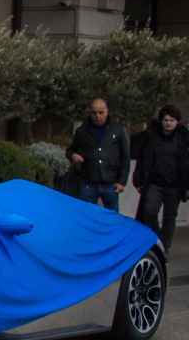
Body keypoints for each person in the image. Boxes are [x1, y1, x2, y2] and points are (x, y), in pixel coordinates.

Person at [133, 104, 189, 250]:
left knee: (169, 217)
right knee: (149, 210)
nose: (168, 123)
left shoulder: (184, 139)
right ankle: (158, 241)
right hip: (155, 184)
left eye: (172, 120)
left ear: (177, 121)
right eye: (166, 120)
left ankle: (164, 248)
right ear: (161, 121)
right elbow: (142, 158)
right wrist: (138, 180)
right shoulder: (152, 137)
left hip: (175, 186)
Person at [67, 99, 130, 210]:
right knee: (85, 214)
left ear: (107, 112)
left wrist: (121, 182)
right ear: (90, 113)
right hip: (88, 182)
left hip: (111, 183)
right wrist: (73, 156)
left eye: (101, 112)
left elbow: (125, 157)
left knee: (112, 216)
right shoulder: (82, 131)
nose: (97, 116)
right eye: (94, 113)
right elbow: (70, 150)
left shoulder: (118, 130)